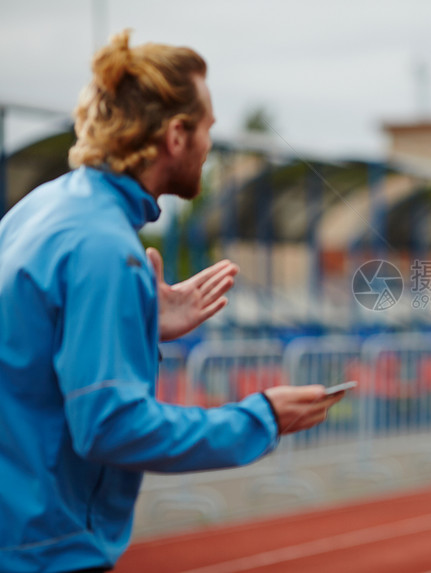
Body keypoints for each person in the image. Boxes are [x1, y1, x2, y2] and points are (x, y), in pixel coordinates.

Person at [0, 31, 344, 573]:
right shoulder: (105, 246)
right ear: (177, 135)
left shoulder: (39, 210)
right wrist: (260, 419)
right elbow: (109, 426)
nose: (210, 146)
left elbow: (30, 347)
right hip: (47, 547)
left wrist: (139, 323)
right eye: (207, 128)